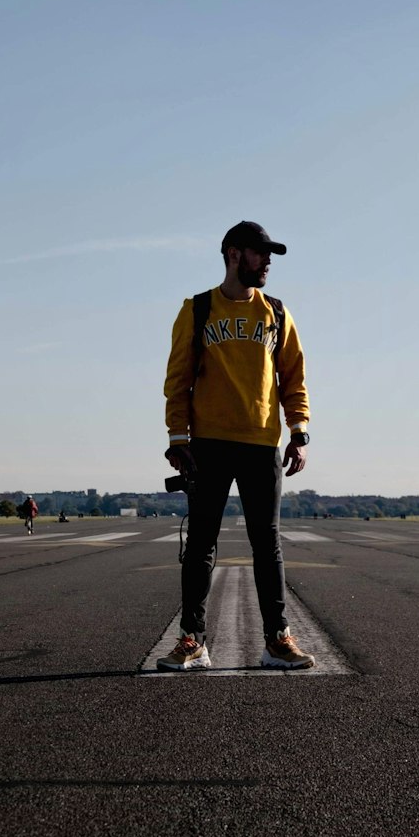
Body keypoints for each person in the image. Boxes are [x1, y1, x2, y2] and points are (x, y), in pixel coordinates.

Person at [160, 220, 314, 671]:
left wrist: (299, 431)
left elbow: (294, 377)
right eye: (259, 253)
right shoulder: (198, 309)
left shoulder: (278, 313)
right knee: (201, 544)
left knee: (267, 545)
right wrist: (177, 439)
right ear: (233, 254)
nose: (267, 262)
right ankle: (192, 640)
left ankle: (277, 639)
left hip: (261, 443)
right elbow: (178, 380)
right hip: (207, 444)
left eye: (269, 255)